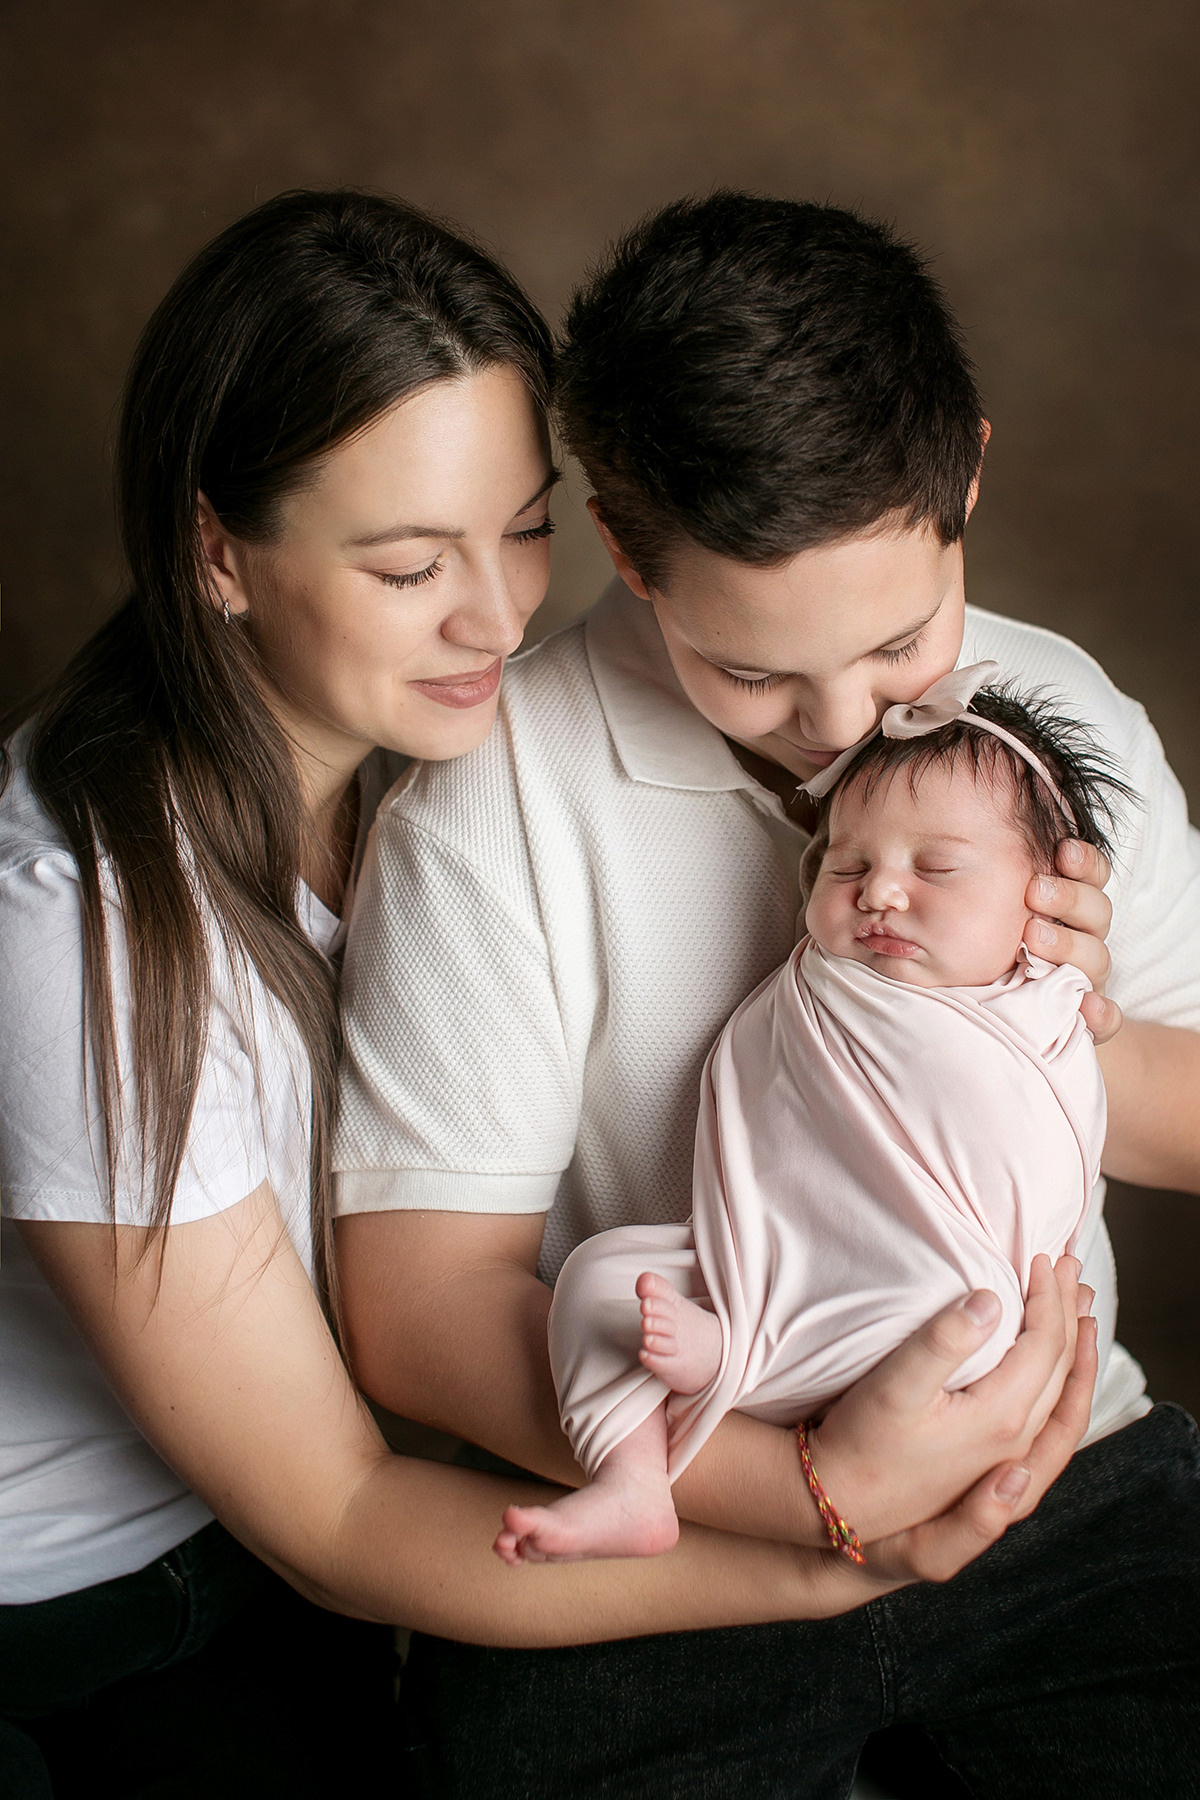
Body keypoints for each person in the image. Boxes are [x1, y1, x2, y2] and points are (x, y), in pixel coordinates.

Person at [0, 189, 980, 1800]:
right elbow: (335, 1522)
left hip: (330, 1508)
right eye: (406, 565)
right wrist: (829, 1547)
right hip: (92, 1601)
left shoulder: (420, 744)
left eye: (524, 527)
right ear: (216, 552)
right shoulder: (78, 938)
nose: (498, 615)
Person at [334, 194, 1200, 1797]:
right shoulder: (493, 797)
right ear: (623, 547)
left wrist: (1091, 1031)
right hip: (661, 1534)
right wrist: (806, 1484)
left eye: (897, 644)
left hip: (1061, 1477)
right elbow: (416, 1311)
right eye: (751, 673)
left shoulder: (1055, 716)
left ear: (969, 482)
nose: (844, 721)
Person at [500, 674, 1139, 1565]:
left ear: (1048, 902)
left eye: (937, 868)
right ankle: (633, 1480)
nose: (879, 893)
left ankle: (732, 1363)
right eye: (849, 866)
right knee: (600, 1281)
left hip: (939, 1282)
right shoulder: (822, 978)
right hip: (754, 1263)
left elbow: (1059, 1104)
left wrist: (1064, 981)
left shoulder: (1039, 997)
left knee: (958, 1323)